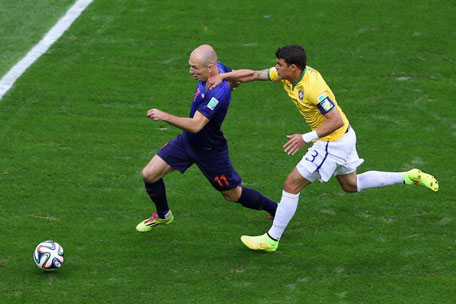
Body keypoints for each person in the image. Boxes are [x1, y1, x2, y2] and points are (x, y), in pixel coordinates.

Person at [206, 44, 439, 252]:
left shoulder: (312, 88)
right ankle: (409, 177)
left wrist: (304, 138)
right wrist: (224, 76)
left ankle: (272, 239)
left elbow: (334, 119)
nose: (276, 68)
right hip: (345, 137)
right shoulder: (288, 75)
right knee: (351, 184)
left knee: (292, 184)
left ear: (294, 68)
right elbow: (255, 74)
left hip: (332, 142)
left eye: (280, 65)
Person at [136, 44, 277, 232]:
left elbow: (196, 125)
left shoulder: (217, 93)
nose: (190, 71)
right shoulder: (219, 69)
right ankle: (163, 215)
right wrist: (232, 81)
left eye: (194, 67)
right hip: (188, 142)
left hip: (209, 150)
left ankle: (276, 209)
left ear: (210, 68)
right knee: (149, 174)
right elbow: (240, 77)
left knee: (232, 195)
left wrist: (164, 116)